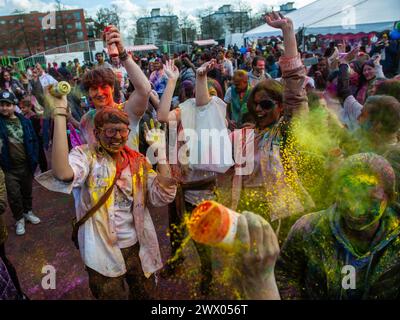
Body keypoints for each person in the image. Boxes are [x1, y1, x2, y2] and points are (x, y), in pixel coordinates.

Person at [37, 105, 177, 300]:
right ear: (97, 132)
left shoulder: (138, 161)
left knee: (145, 295)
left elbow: (163, 196)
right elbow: (63, 174)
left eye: (122, 131)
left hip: (137, 247)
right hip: (100, 251)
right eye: (111, 131)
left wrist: (161, 151)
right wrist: (60, 114)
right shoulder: (87, 157)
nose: (118, 137)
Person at [276, 153, 400, 300]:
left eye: (371, 199)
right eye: (348, 196)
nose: (356, 209)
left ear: (390, 198)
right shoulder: (308, 229)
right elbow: (284, 276)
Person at [79, 25, 152, 152]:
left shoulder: (126, 112)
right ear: (89, 92)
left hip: (131, 171)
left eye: (104, 87)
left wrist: (123, 53)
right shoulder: (86, 120)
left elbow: (145, 90)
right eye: (94, 88)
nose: (99, 93)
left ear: (112, 88)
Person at [0, 90, 40, 236]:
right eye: (1, 105)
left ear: (13, 106)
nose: (4, 108)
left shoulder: (25, 121)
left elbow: (34, 141)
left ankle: (28, 212)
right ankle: (19, 219)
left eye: (7, 105)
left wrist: (34, 160)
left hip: (26, 166)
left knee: (27, 192)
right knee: (14, 195)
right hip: (9, 169)